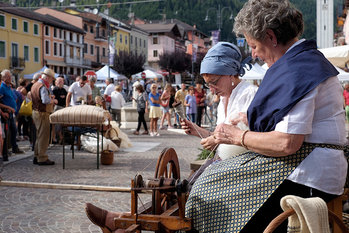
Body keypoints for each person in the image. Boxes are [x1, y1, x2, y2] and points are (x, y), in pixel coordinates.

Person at [185, 1, 348, 232]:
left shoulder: (298, 70)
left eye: (253, 45)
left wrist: (237, 136)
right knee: (213, 176)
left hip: (307, 174)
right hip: (308, 166)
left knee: (208, 192)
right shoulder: (302, 62)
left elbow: (287, 143)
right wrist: (246, 119)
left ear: (271, 36)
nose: (253, 54)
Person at [31, 68, 57, 165]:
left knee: (39, 135)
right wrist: (53, 101)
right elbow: (45, 100)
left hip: (36, 111)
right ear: (47, 78)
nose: (52, 81)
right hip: (42, 113)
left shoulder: (35, 84)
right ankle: (42, 158)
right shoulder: (42, 86)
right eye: (51, 79)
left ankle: (36, 155)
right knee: (44, 136)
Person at [0, 69, 24, 155]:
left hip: (11, 113)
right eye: (8, 76)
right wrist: (8, 107)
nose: (10, 78)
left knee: (13, 131)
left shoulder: (8, 86)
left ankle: (14, 148)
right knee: (6, 133)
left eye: (10, 76)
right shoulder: (2, 87)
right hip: (6, 113)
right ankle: (6, 151)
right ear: (3, 78)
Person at [52, 77, 67, 144]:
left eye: (61, 81)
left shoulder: (64, 90)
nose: (60, 83)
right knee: (56, 124)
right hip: (56, 108)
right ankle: (55, 138)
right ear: (55, 82)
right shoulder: (54, 90)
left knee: (61, 124)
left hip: (63, 108)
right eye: (59, 81)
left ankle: (61, 138)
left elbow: (66, 99)